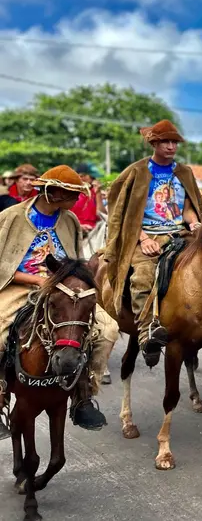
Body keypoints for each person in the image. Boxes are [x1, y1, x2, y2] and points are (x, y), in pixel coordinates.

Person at [0, 165, 119, 439]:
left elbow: (75, 261)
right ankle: (0, 396)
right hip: (21, 285)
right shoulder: (11, 217)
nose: (77, 201)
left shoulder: (70, 220)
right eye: (71, 195)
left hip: (65, 289)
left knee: (108, 329)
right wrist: (36, 281)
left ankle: (83, 395)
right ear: (52, 193)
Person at [101, 120, 202, 367]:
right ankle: (147, 333)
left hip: (178, 232)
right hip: (145, 235)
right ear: (154, 143)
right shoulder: (137, 171)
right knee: (144, 275)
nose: (171, 146)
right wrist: (144, 239)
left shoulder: (185, 172)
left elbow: (188, 208)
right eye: (165, 142)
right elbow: (126, 212)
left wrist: (194, 224)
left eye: (174, 142)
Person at [70, 164, 106, 234]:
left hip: (92, 233)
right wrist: (79, 226)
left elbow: (101, 216)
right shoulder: (71, 193)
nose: (94, 180)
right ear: (81, 176)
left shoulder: (95, 192)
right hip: (73, 231)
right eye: (92, 177)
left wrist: (98, 194)